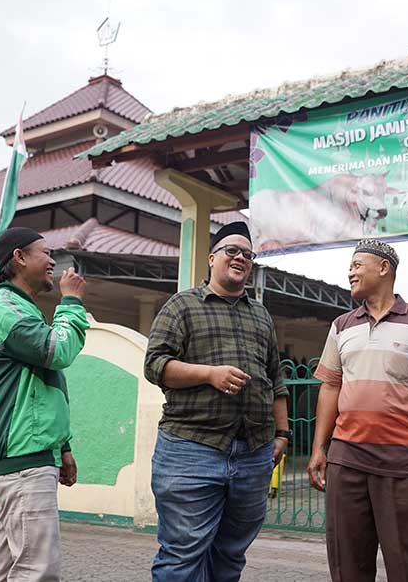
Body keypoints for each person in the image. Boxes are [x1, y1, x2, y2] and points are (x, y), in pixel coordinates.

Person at [144, 220, 291, 582]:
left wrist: (283, 434)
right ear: (212, 258)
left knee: (230, 554)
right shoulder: (181, 306)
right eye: (232, 251)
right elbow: (155, 365)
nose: (240, 257)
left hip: (254, 453)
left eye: (247, 254)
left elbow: (276, 378)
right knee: (181, 556)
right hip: (190, 448)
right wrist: (209, 374)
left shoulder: (260, 314)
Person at [307, 238, 408, 582]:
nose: (350, 272)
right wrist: (319, 448)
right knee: (348, 566)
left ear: (384, 268)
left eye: (357, 265)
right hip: (346, 460)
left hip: (403, 462)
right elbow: (331, 386)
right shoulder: (342, 326)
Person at [0, 227, 90, 582]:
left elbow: (45, 385)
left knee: (10, 569)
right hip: (21, 459)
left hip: (31, 454)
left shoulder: (22, 309)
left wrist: (62, 448)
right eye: (44, 252)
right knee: (38, 569)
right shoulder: (5, 309)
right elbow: (57, 352)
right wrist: (71, 303)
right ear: (19, 257)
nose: (52, 261)